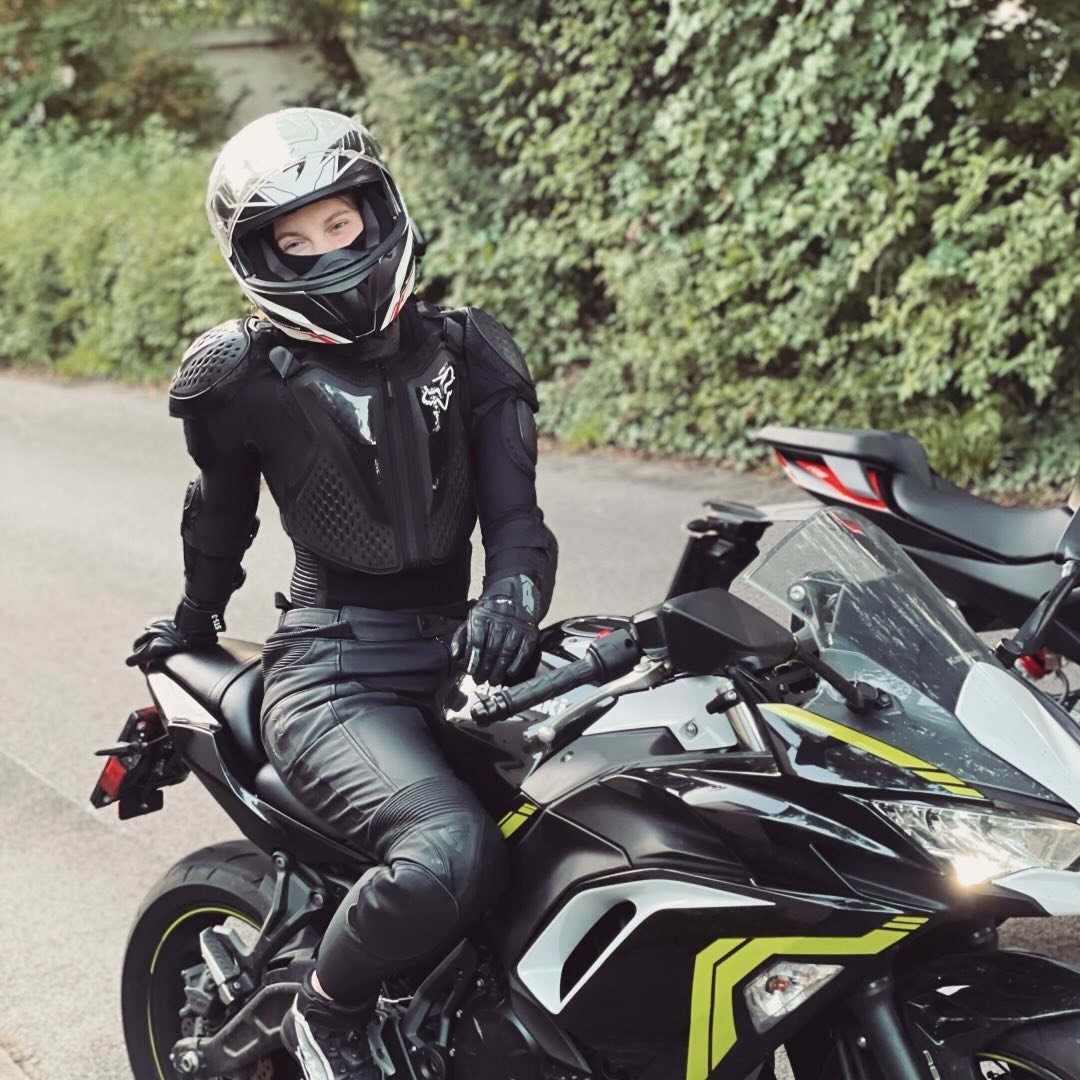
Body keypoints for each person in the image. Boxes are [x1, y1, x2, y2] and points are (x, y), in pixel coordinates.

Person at [126, 107, 558, 1080]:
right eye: (295, 240)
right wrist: (193, 621)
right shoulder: (238, 375)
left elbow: (519, 525)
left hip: (467, 655)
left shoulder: (475, 350)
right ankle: (327, 1015)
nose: (327, 249)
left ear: (378, 211)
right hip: (333, 675)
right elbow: (219, 521)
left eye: (340, 222)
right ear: (259, 256)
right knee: (452, 850)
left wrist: (513, 599)